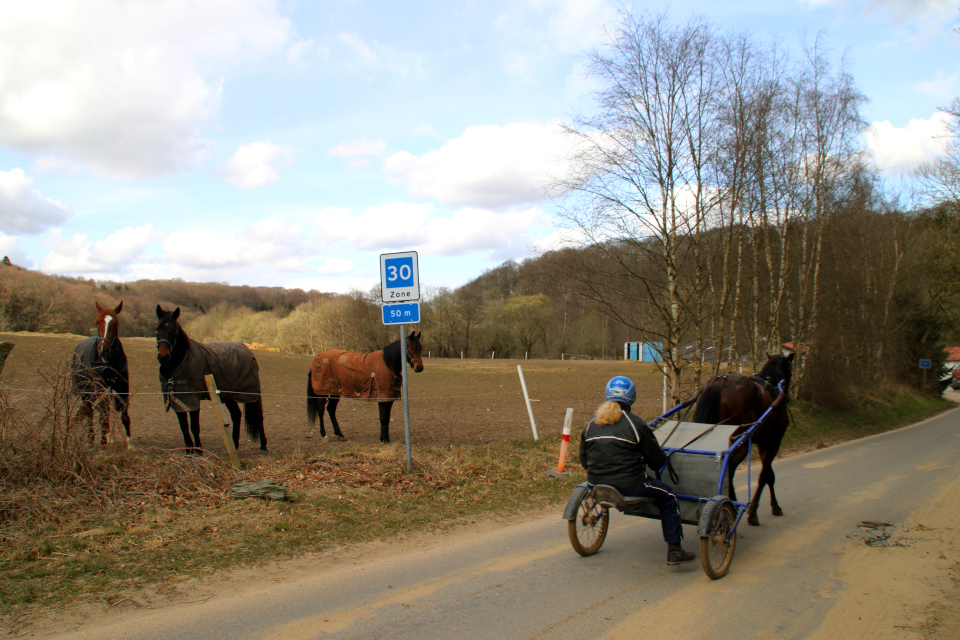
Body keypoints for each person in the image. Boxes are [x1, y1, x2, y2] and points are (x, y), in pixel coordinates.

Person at [579, 376, 696, 565]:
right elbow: (656, 461)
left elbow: (584, 459)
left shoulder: (591, 424)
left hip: (596, 483)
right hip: (630, 486)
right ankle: (675, 550)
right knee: (669, 496)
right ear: (632, 397)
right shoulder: (636, 424)